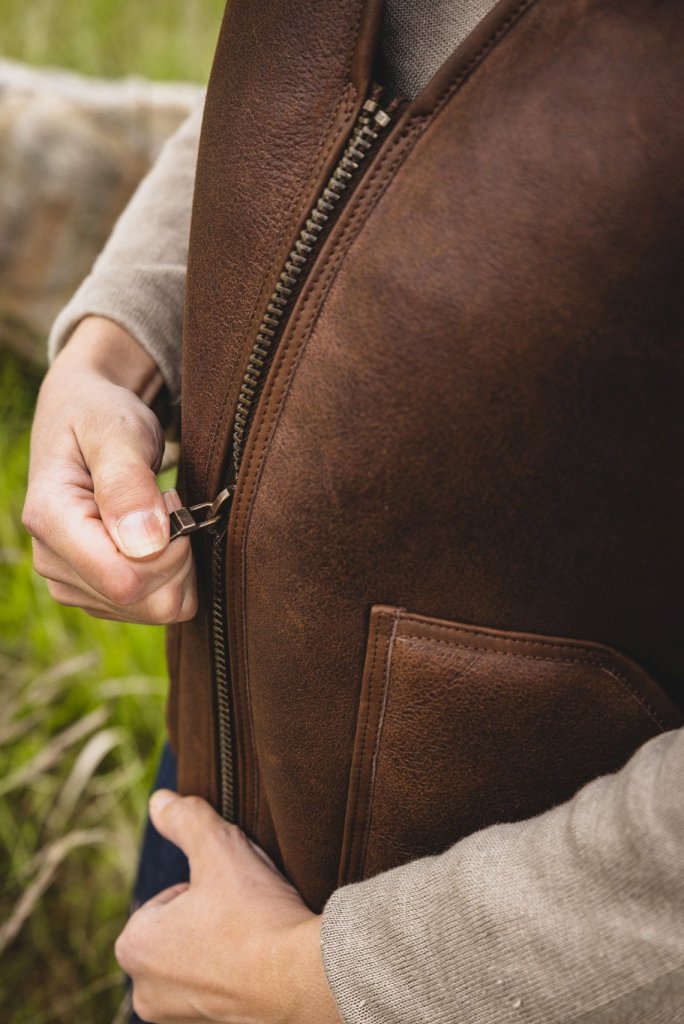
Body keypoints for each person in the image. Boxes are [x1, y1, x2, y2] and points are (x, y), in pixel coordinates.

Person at [23, 1, 684, 1021]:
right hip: (218, 800)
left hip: (506, 965)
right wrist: (116, 346)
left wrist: (329, 978)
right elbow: (313, 105)